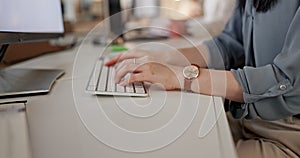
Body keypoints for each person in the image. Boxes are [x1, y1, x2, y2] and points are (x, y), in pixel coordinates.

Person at [106, 0, 300, 157]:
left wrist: (181, 76)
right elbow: (231, 44)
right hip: (246, 118)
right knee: (159, 140)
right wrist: (163, 56)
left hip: (286, 135)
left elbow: (285, 80)